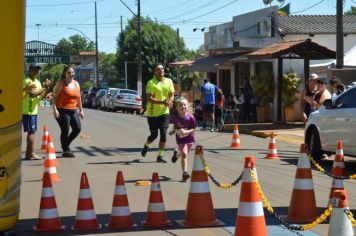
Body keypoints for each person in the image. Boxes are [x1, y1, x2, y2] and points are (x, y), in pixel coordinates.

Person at [141, 63, 174, 163]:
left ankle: (160, 156)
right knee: (154, 135)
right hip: (152, 113)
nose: (161, 71)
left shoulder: (169, 81)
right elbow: (149, 99)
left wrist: (170, 101)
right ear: (155, 72)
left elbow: (171, 94)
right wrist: (162, 102)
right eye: (158, 69)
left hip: (164, 112)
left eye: (162, 69)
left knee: (163, 133)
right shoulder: (151, 83)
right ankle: (146, 144)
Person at [52, 65, 84, 158]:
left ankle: (65, 144)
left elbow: (79, 98)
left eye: (72, 72)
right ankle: (66, 149)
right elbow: (55, 97)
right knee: (65, 130)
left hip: (73, 110)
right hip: (62, 110)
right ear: (65, 74)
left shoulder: (76, 84)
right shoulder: (61, 83)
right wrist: (54, 109)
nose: (71, 74)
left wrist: (81, 110)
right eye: (69, 73)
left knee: (77, 129)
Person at [22, 65, 52, 160]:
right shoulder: (27, 81)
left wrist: (47, 89)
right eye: (34, 70)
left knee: (32, 132)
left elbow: (41, 96)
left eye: (37, 70)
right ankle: (30, 154)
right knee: (31, 132)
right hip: (28, 110)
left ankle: (28, 154)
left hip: (33, 111)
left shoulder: (37, 82)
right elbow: (32, 95)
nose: (36, 72)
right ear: (29, 70)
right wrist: (44, 87)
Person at [169, 97, 197, 181]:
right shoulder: (175, 116)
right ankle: (185, 172)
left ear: (187, 107)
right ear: (177, 108)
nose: (183, 106)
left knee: (183, 154)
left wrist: (187, 132)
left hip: (190, 139)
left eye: (184, 105)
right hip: (180, 139)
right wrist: (173, 131)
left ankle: (176, 155)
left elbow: (194, 128)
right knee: (185, 154)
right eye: (180, 105)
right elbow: (175, 125)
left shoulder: (191, 117)